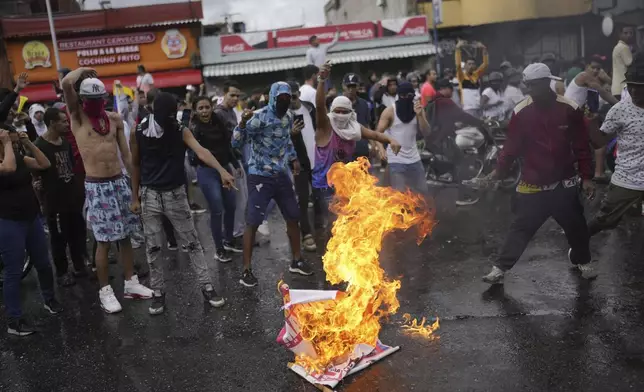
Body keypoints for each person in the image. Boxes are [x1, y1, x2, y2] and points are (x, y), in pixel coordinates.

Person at [481, 63, 596, 285]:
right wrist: (497, 172)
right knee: (521, 228)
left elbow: (582, 144)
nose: (531, 90)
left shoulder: (569, 108)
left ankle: (584, 262)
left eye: (535, 85)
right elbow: (511, 147)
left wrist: (587, 177)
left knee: (576, 227)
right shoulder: (521, 111)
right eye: (528, 86)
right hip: (534, 183)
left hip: (564, 182)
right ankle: (499, 269)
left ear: (547, 83)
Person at [62, 67, 153, 314]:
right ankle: (105, 291)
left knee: (125, 236)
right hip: (97, 186)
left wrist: (135, 191)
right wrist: (83, 70)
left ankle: (131, 283)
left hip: (119, 181)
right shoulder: (77, 117)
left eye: (98, 99)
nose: (95, 104)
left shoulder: (113, 119)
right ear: (83, 100)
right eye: (90, 100)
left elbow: (126, 155)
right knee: (103, 242)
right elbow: (65, 84)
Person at [130, 92, 230, 315]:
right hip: (150, 195)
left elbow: (201, 151)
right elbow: (135, 165)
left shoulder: (179, 130)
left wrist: (221, 170)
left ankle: (207, 287)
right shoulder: (138, 132)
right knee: (153, 247)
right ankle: (158, 293)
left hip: (175, 194)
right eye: (168, 114)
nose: (171, 118)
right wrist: (134, 197)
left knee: (192, 243)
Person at [232, 81, 311, 287]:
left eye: (288, 98)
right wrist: (242, 123)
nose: (285, 101)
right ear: (273, 98)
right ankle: (246, 271)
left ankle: (297, 260)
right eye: (281, 98)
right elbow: (236, 142)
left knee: (293, 215)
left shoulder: (288, 118)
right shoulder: (259, 117)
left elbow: (286, 141)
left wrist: (293, 159)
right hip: (259, 176)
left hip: (281, 174)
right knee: (253, 221)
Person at [312, 63, 402, 229]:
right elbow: (319, 106)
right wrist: (321, 81)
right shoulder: (326, 126)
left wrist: (390, 140)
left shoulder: (353, 127)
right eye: (336, 111)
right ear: (331, 111)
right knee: (334, 227)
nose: (340, 115)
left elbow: (374, 134)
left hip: (346, 183)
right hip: (326, 186)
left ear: (350, 113)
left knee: (351, 222)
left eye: (344, 112)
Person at [0, 125, 63, 336]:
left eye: (16, 141)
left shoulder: (18, 156)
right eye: (11, 141)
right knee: (14, 271)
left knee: (43, 263)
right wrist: (8, 143)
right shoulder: (6, 161)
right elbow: (7, 168)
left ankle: (49, 299)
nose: (15, 144)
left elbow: (44, 164)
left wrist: (27, 143)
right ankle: (14, 320)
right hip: (9, 221)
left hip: (31, 218)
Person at [588, 56, 644, 236]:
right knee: (606, 220)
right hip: (628, 179)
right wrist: (591, 126)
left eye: (639, 86)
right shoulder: (620, 110)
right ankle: (579, 246)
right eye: (630, 86)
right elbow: (600, 141)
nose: (634, 91)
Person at [34, 108, 87, 287]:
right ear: (52, 123)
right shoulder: (39, 146)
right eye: (63, 121)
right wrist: (40, 196)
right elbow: (34, 174)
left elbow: (71, 166)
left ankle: (79, 266)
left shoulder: (65, 142)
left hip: (71, 198)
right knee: (58, 239)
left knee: (77, 233)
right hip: (54, 202)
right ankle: (62, 272)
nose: (67, 124)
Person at [192, 95, 242, 262]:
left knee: (231, 205)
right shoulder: (194, 129)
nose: (205, 111)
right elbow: (194, 157)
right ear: (195, 111)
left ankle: (229, 240)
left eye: (207, 107)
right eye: (201, 108)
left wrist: (235, 165)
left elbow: (227, 146)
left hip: (225, 169)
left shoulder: (219, 122)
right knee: (217, 208)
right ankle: (219, 249)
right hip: (207, 172)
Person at [426, 79, 485, 206]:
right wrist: (480, 122)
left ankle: (454, 182)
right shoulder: (445, 102)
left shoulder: (433, 101)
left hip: (434, 140)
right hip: (443, 140)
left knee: (455, 160)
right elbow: (462, 115)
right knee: (461, 162)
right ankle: (461, 196)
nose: (452, 91)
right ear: (443, 88)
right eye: (450, 88)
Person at [565, 55, 619, 182]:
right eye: (593, 67)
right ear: (586, 66)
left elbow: (593, 103)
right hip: (572, 115)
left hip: (574, 115)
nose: (595, 71)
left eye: (598, 68)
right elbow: (603, 93)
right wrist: (620, 104)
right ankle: (599, 174)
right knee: (600, 144)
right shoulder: (584, 76)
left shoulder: (589, 81)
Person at [375, 82, 430, 193]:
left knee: (423, 192)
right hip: (396, 159)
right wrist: (381, 149)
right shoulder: (390, 111)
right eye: (403, 96)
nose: (405, 99)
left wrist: (420, 116)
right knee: (399, 195)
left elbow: (427, 132)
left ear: (413, 97)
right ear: (398, 96)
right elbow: (377, 134)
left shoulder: (418, 109)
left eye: (409, 96)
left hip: (414, 158)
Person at [287, 80, 318, 252]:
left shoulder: (309, 107)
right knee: (303, 200)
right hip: (298, 162)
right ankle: (306, 234)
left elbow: (319, 127)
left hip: (317, 160)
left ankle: (321, 227)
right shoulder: (284, 115)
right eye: (287, 97)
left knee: (321, 197)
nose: (291, 100)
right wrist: (291, 134)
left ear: (299, 94)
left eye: (293, 96)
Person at [342, 73, 372, 159]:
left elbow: (367, 125)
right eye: (348, 87)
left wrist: (373, 143)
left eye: (353, 86)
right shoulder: (338, 104)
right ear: (344, 86)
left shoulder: (364, 104)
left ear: (358, 87)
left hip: (362, 148)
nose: (351, 89)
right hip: (344, 150)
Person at [455, 40, 489, 117]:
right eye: (469, 64)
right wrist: (457, 49)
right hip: (468, 109)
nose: (471, 66)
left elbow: (486, 64)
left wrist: (484, 49)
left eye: (473, 64)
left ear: (475, 66)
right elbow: (458, 65)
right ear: (465, 66)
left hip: (478, 108)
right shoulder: (462, 76)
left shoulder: (476, 75)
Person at [612, 26, 635, 99]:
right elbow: (630, 63)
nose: (629, 35)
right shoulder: (623, 47)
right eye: (625, 33)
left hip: (617, 87)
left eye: (631, 33)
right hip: (623, 87)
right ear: (620, 34)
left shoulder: (617, 46)